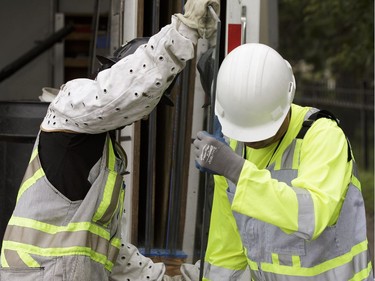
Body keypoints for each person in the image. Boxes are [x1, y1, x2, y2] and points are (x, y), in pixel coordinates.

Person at [0, 0, 220, 280]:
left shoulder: (106, 156)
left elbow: (110, 251)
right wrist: (184, 32)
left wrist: (167, 278)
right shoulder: (70, 106)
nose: (145, 111)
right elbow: (124, 93)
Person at [193, 43, 373, 280]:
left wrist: (235, 169)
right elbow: (226, 253)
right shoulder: (233, 149)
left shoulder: (322, 136)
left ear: (286, 105)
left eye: (260, 133)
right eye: (245, 132)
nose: (252, 142)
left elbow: (311, 217)